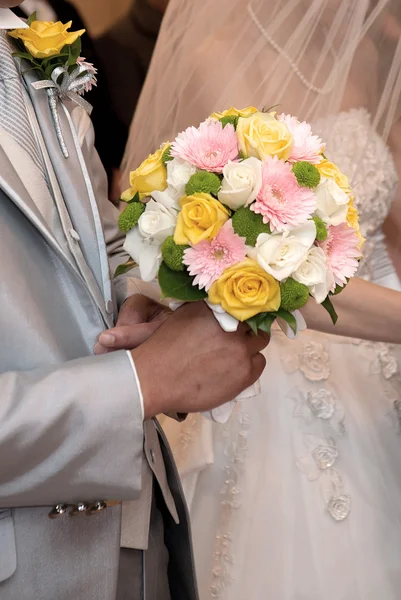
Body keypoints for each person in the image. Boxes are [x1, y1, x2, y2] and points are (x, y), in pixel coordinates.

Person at [120, 0, 401, 598]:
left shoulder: (373, 52)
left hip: (380, 364)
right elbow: (274, 275)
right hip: (285, 373)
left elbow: (380, 218)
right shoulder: (218, 59)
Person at [0, 4, 270, 600]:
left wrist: (139, 298)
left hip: (132, 534)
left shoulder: (24, 49)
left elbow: (96, 236)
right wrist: (141, 382)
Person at [12, 0, 126, 200]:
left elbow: (99, 92)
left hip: (91, 146)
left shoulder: (64, 8)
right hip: (46, 157)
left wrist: (114, 158)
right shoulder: (7, 14)